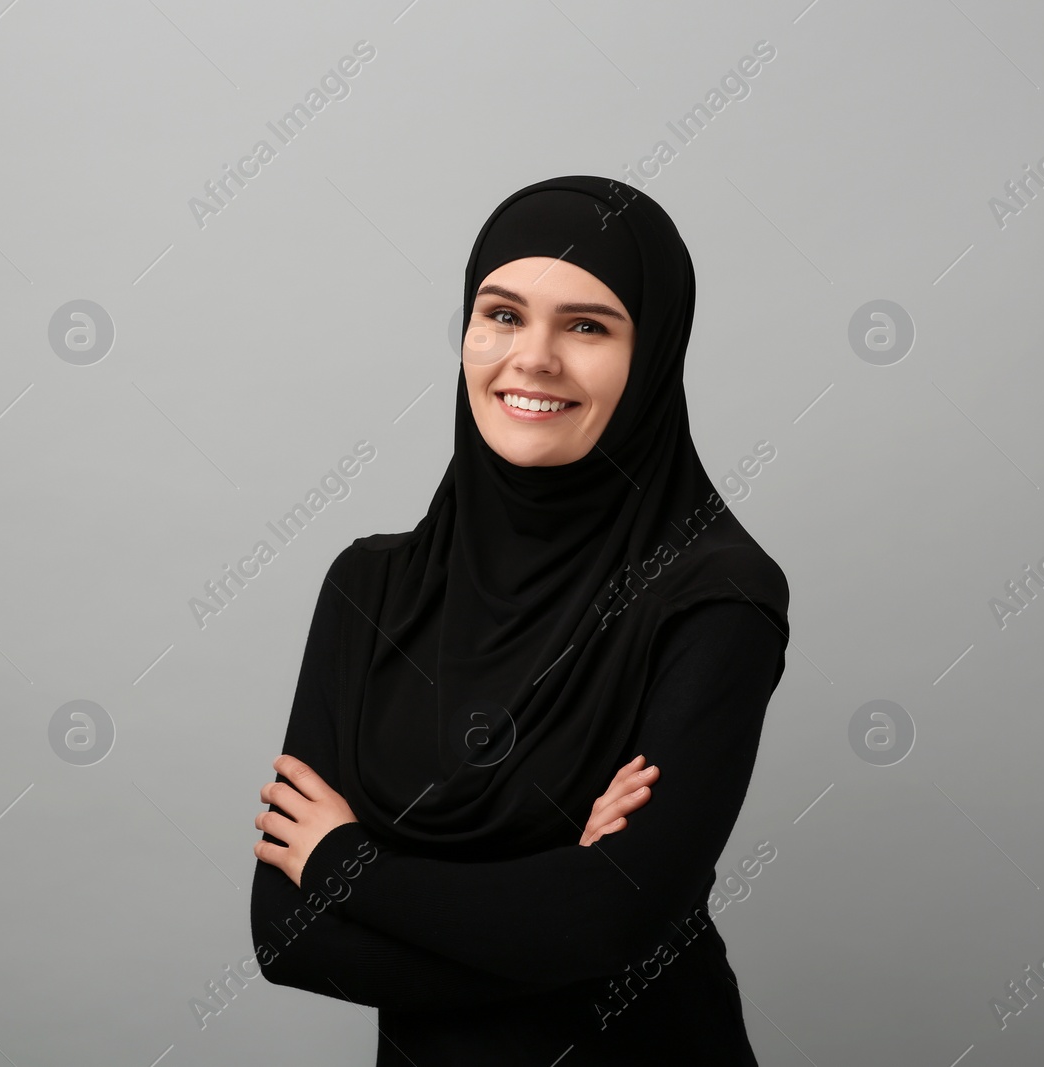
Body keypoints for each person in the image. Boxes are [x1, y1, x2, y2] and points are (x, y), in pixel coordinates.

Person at [248, 175, 790, 1064]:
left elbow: (607, 919)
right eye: (502, 314)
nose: (533, 358)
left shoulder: (717, 597)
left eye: (587, 325)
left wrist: (347, 865)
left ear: (652, 355)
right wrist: (571, 919)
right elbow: (288, 938)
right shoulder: (369, 587)